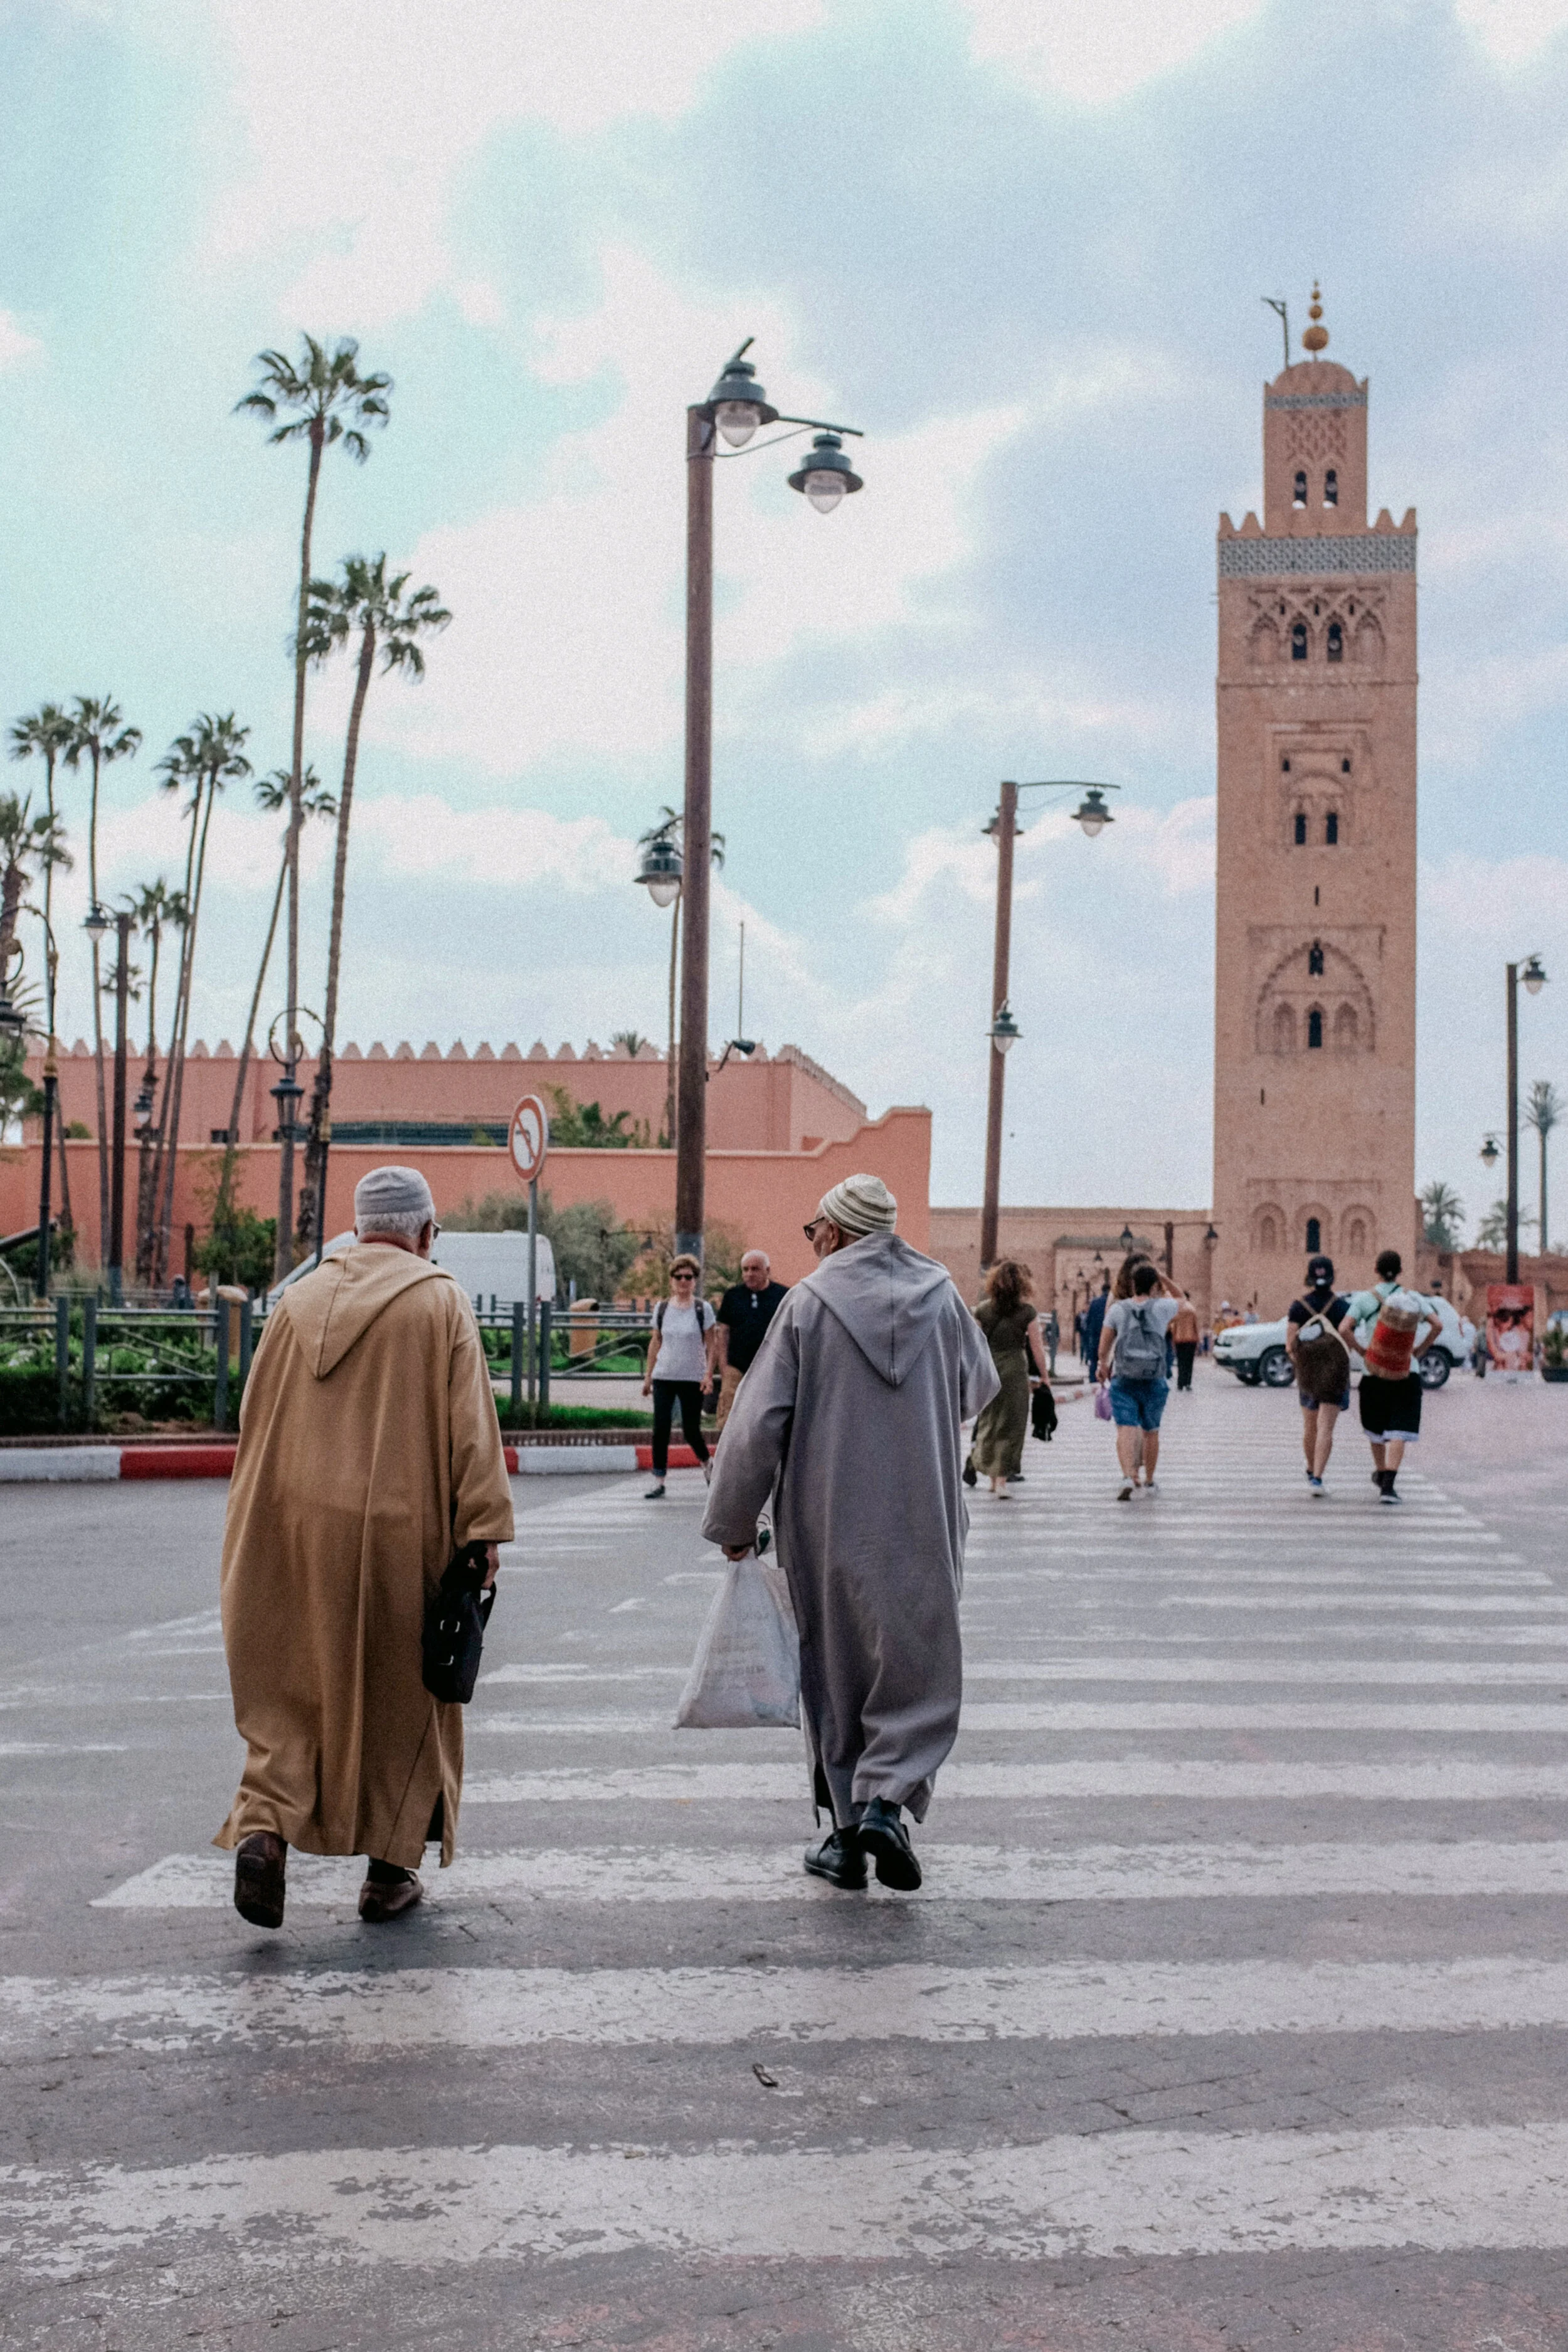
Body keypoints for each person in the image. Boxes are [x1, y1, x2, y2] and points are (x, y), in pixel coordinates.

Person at [215, 1166, 514, 1930]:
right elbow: (471, 1429)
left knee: (291, 1691)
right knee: (403, 1698)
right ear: (422, 1231)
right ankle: (388, 1874)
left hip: (290, 1529)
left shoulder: (297, 1301)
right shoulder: (439, 1298)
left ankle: (265, 1831)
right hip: (395, 1535)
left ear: (355, 1229)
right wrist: (482, 1532)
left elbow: (254, 1418)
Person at [702, 1172, 997, 1895]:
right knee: (914, 1664)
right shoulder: (945, 1297)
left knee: (835, 1671)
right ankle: (887, 1807)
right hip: (925, 1517)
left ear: (832, 1232)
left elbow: (757, 1424)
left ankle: (843, 1831)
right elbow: (979, 1387)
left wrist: (734, 1522)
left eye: (813, 1233)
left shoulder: (807, 1304)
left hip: (827, 1519)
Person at [1339, 1249, 1440, 1505]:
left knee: (1376, 1429)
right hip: (1408, 1371)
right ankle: (1389, 1485)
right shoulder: (1413, 1297)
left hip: (1374, 1372)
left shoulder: (1365, 1299)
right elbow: (1437, 1325)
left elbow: (1344, 1328)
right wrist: (1420, 1350)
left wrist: (1362, 1350)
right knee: (1399, 1429)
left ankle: (1382, 1472)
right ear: (1400, 1272)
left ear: (1376, 1270)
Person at [1096, 1261, 1185, 1500]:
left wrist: (1102, 1364)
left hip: (1125, 1378)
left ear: (1133, 1284)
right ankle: (1149, 1480)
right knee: (1151, 1431)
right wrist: (1165, 1278)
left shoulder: (1118, 1309)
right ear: (1154, 1285)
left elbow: (1104, 1344)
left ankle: (1127, 1475)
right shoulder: (1163, 1307)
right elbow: (1184, 1301)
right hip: (1154, 1378)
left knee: (1126, 1427)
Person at [966, 1259, 1051, 1496]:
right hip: (1015, 1370)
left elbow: (973, 1345)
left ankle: (990, 1475)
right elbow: (1037, 1348)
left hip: (988, 1369)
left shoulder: (981, 1310)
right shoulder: (1028, 1312)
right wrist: (1044, 1377)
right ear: (1022, 1285)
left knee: (989, 1423)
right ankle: (1001, 1480)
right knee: (1012, 1425)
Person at [642, 1254, 718, 1498]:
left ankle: (707, 1464)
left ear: (695, 1280)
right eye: (679, 1277)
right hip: (664, 1375)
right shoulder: (662, 1308)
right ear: (671, 1280)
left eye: (689, 1277)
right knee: (661, 1428)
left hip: (692, 1377)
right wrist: (648, 1376)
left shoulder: (702, 1309)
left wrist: (708, 1375)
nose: (684, 1281)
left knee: (690, 1429)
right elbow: (656, 1341)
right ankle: (659, 1479)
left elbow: (712, 1343)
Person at [1286, 1253, 1352, 1494]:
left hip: (1309, 1375)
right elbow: (1348, 1336)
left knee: (1310, 1426)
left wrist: (1303, 1362)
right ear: (1332, 1276)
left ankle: (1310, 1468)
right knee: (1326, 1427)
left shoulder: (1298, 1306)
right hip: (1336, 1373)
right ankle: (1317, 1478)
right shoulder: (1343, 1306)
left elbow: (1289, 1344)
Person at [713, 1249, 788, 1432]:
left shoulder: (783, 1295)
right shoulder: (733, 1296)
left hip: (769, 1367)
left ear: (767, 1270)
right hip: (735, 1367)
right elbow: (723, 1332)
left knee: (764, 1420)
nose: (749, 1274)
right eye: (745, 1269)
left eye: (755, 1269)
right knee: (728, 1419)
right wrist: (723, 1366)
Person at [1170, 1292, 1200, 1391]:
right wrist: (1198, 1340)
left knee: (1180, 1362)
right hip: (1191, 1339)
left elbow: (1173, 1327)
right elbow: (1196, 1327)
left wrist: (1173, 1339)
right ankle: (1188, 1383)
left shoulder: (1177, 1311)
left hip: (1179, 1339)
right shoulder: (1192, 1310)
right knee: (1189, 1362)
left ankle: (1180, 1383)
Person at [1080, 1281, 1109, 1381]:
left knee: (1094, 1361)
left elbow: (1088, 1320)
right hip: (1108, 1336)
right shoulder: (1113, 1303)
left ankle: (1093, 1380)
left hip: (1095, 1336)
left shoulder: (1095, 1302)